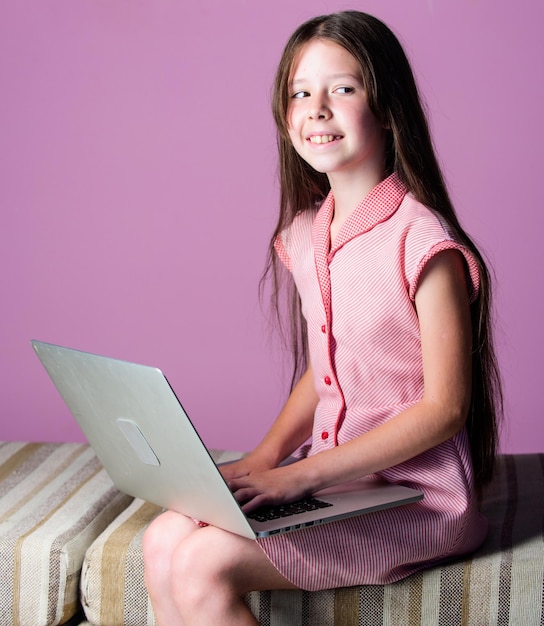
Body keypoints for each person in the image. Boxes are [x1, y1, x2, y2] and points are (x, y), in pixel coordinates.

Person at [142, 11, 502, 625]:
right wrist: (265, 461)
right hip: (344, 488)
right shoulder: (306, 235)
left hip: (417, 500)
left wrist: (299, 477)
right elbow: (328, 369)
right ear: (286, 120)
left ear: (388, 109)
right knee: (163, 539)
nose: (317, 108)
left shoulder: (422, 242)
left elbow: (445, 410)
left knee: (203, 561)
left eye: (343, 88)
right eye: (300, 93)